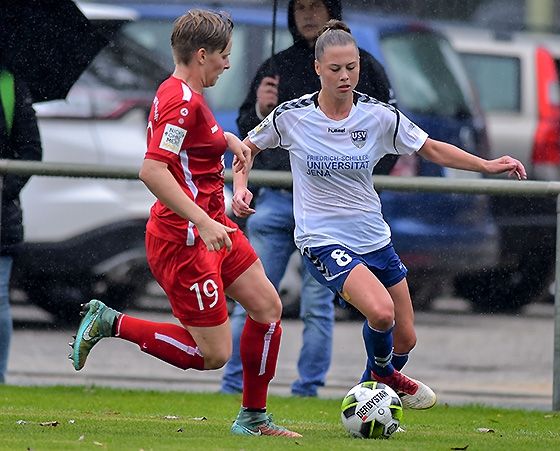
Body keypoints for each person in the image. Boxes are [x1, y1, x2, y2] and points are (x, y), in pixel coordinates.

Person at [232, 20, 527, 409]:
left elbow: (431, 148)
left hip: (373, 238)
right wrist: (239, 188)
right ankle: (386, 376)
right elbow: (246, 148)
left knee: (405, 338)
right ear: (317, 68)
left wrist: (488, 165)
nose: (345, 76)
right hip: (322, 239)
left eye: (351, 67)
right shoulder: (294, 115)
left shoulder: (377, 115)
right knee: (381, 313)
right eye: (335, 69)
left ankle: (366, 399)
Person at [69, 10, 301, 438]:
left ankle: (253, 419)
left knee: (267, 307)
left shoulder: (186, 91)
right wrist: (203, 221)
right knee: (212, 355)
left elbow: (193, 145)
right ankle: (111, 322)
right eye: (223, 56)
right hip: (186, 240)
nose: (227, 63)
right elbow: (153, 170)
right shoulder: (180, 100)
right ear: (201, 54)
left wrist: (226, 141)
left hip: (212, 229)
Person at [221, 0, 398, 398]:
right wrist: (259, 108)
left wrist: (369, 186)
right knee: (253, 300)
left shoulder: (364, 66)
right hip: (277, 201)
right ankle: (233, 385)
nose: (307, 14)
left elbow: (388, 132)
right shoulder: (276, 66)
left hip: (335, 219)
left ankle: (308, 388)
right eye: (299, 7)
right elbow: (248, 134)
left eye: (315, 5)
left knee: (320, 307)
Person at [0, 68, 42, 384]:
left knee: (0, 297)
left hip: (2, 217)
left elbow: (31, 151)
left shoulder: (11, 84)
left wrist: (5, 188)